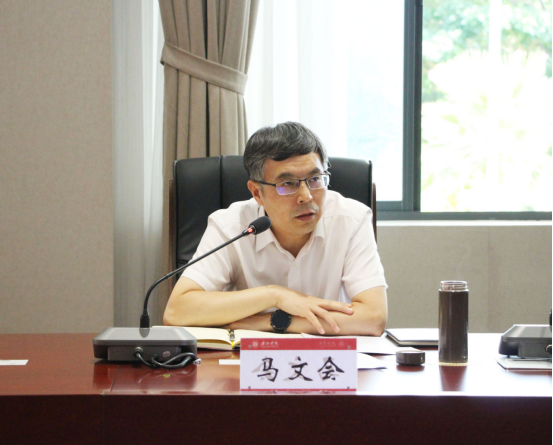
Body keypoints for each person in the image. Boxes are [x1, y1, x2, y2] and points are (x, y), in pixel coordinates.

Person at [164, 122, 388, 336]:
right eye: (287, 184)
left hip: (328, 357)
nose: (306, 196)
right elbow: (177, 311)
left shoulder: (352, 219)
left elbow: (374, 317)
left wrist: (272, 322)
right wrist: (274, 295)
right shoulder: (230, 226)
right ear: (257, 193)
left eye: (315, 179)